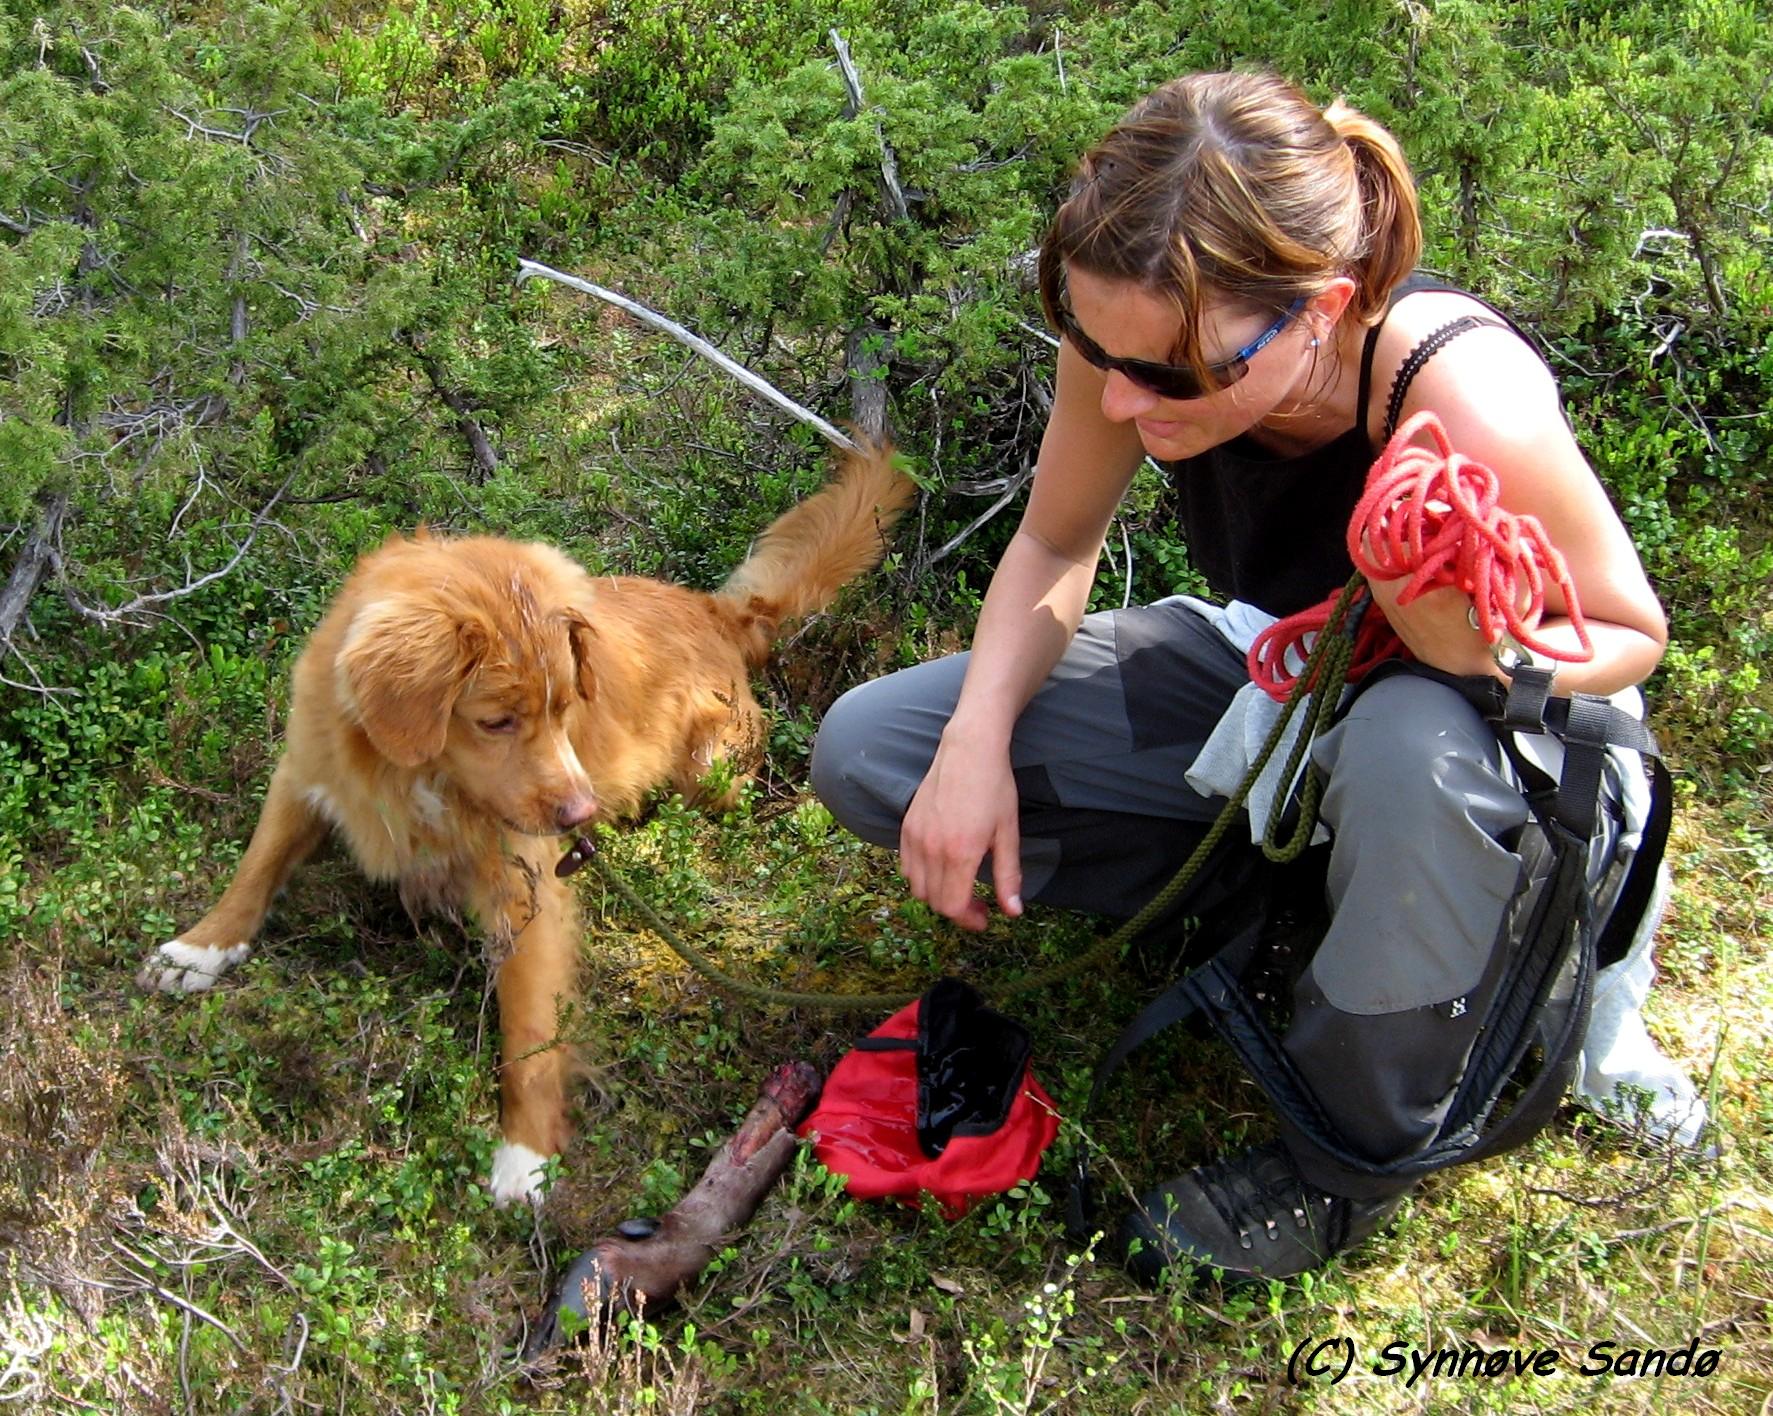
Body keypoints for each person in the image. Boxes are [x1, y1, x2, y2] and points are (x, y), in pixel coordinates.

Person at [809, 70, 1668, 1283]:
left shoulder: (1458, 393)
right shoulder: (1137, 327)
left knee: (1405, 747)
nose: (1120, 397)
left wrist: (1463, 643)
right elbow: (1056, 544)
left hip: (1488, 726)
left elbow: (1628, 631)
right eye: (1100, 350)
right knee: (875, 751)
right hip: (1281, 663)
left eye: (1167, 373)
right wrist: (972, 743)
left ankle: (1349, 1153)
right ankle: (1283, 914)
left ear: (1319, 309)